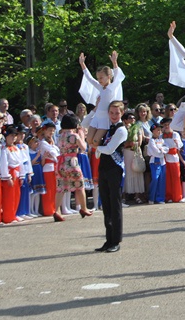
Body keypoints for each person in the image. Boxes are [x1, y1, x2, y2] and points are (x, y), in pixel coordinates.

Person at [94, 101, 128, 253]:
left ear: (122, 113)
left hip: (115, 169)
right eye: (111, 113)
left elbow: (109, 149)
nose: (114, 116)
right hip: (104, 168)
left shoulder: (121, 130)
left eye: (117, 113)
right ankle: (108, 239)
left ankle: (116, 240)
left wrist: (95, 147)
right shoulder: (106, 128)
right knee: (106, 205)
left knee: (115, 205)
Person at [79, 51, 125, 147]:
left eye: (101, 78)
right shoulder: (100, 87)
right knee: (89, 139)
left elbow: (117, 76)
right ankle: (97, 151)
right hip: (97, 117)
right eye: (98, 78)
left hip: (104, 118)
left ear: (108, 77)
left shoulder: (112, 87)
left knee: (95, 141)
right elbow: (90, 78)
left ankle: (100, 151)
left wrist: (114, 63)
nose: (99, 80)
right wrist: (82, 64)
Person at [53, 115, 94, 221]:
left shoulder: (60, 135)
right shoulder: (74, 136)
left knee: (60, 187)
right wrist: (81, 135)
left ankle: (57, 210)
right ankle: (84, 208)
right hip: (72, 162)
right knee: (80, 185)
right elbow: (84, 148)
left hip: (61, 162)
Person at [147, 122, 167, 204]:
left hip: (162, 162)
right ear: (153, 131)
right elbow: (155, 151)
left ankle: (160, 198)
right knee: (155, 178)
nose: (159, 131)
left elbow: (167, 148)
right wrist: (162, 150)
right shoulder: (151, 141)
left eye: (160, 130)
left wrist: (162, 150)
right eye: (157, 130)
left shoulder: (162, 140)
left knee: (162, 179)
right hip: (155, 161)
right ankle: (151, 197)